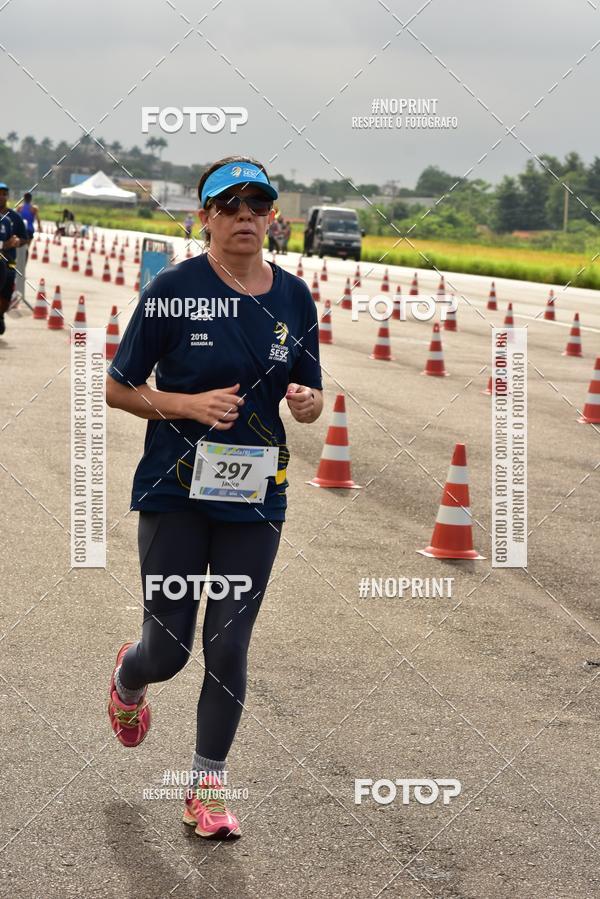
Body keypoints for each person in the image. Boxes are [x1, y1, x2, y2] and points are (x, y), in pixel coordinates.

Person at [105, 155, 324, 840]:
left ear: (272, 217)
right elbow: (116, 385)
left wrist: (309, 400)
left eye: (257, 206)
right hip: (174, 491)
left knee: (228, 643)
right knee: (169, 650)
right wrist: (185, 404)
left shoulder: (294, 298)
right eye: (229, 206)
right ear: (205, 217)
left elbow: (310, 392)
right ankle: (129, 675)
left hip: (257, 497)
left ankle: (206, 788)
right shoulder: (173, 289)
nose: (244, 218)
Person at [0, 182, 28, 335]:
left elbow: (24, 237)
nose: (1, 197)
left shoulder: (14, 217)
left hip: (8, 261)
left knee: (6, 289)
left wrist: (18, 241)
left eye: (4, 194)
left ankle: (1, 314)